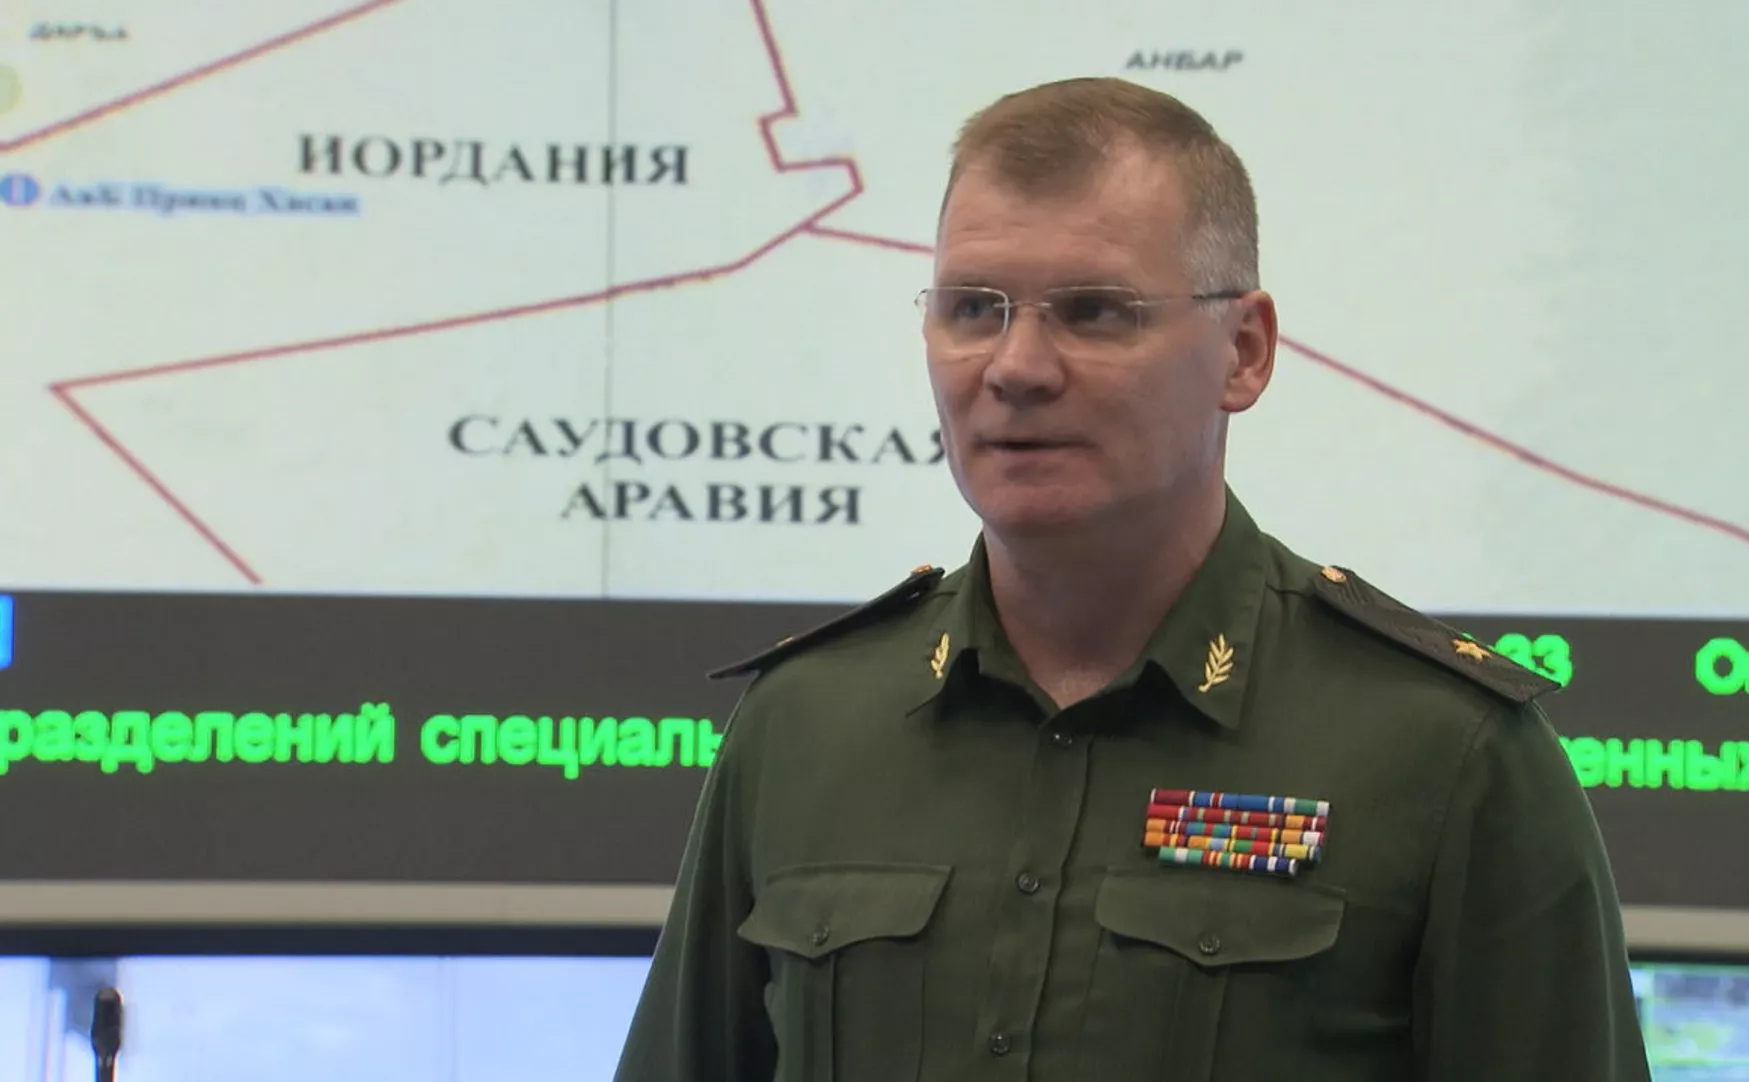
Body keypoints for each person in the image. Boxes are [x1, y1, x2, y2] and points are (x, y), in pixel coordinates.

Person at [614, 76, 1650, 1081]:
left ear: (1244, 351)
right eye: (973, 308)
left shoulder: (1446, 753)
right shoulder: (803, 724)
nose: (1016, 367)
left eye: (1094, 312)